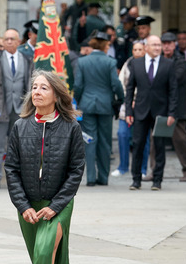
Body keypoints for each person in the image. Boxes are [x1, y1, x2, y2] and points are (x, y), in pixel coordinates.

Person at [4, 70, 85, 264]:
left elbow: (76, 171)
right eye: (34, 87)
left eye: (44, 88)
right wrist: (22, 204)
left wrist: (56, 205)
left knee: (43, 252)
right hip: (27, 206)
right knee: (42, 262)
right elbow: (11, 169)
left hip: (58, 205)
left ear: (56, 95)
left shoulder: (71, 127)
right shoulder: (20, 126)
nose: (37, 92)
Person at [0, 28, 33, 189]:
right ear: (3, 41)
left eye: (12, 39)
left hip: (20, 110)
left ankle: (19, 180)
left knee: (20, 146)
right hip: (0, 109)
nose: (9, 41)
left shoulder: (26, 59)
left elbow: (31, 85)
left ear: (18, 42)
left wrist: (31, 107)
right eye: (7, 39)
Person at [125, 34, 177, 190]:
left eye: (159, 45)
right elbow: (130, 89)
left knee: (160, 147)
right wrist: (128, 111)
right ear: (146, 47)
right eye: (154, 45)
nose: (157, 48)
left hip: (161, 113)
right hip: (140, 111)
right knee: (138, 145)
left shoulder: (169, 64)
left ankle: (157, 180)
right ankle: (136, 179)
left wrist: (172, 113)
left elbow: (173, 91)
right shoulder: (136, 63)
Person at [73, 31, 124, 186]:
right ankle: (103, 177)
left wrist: (80, 101)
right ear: (104, 46)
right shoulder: (110, 62)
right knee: (105, 141)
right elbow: (115, 84)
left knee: (89, 140)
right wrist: (120, 98)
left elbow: (78, 85)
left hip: (87, 105)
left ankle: (90, 177)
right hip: (105, 105)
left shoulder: (83, 62)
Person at [160, 32, 186, 182]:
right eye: (164, 43)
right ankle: (156, 171)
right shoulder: (159, 60)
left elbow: (177, 78)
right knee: (156, 140)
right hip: (160, 105)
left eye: (169, 43)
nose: (167, 46)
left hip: (177, 107)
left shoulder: (179, 60)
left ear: (174, 44)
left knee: (180, 139)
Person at [113, 41, 150, 177]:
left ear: (145, 50)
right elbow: (121, 83)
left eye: (140, 49)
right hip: (126, 104)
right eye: (135, 49)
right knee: (122, 134)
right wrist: (128, 99)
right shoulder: (127, 64)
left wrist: (138, 99)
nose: (138, 52)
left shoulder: (149, 64)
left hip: (143, 104)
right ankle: (123, 166)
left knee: (143, 138)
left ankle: (142, 169)